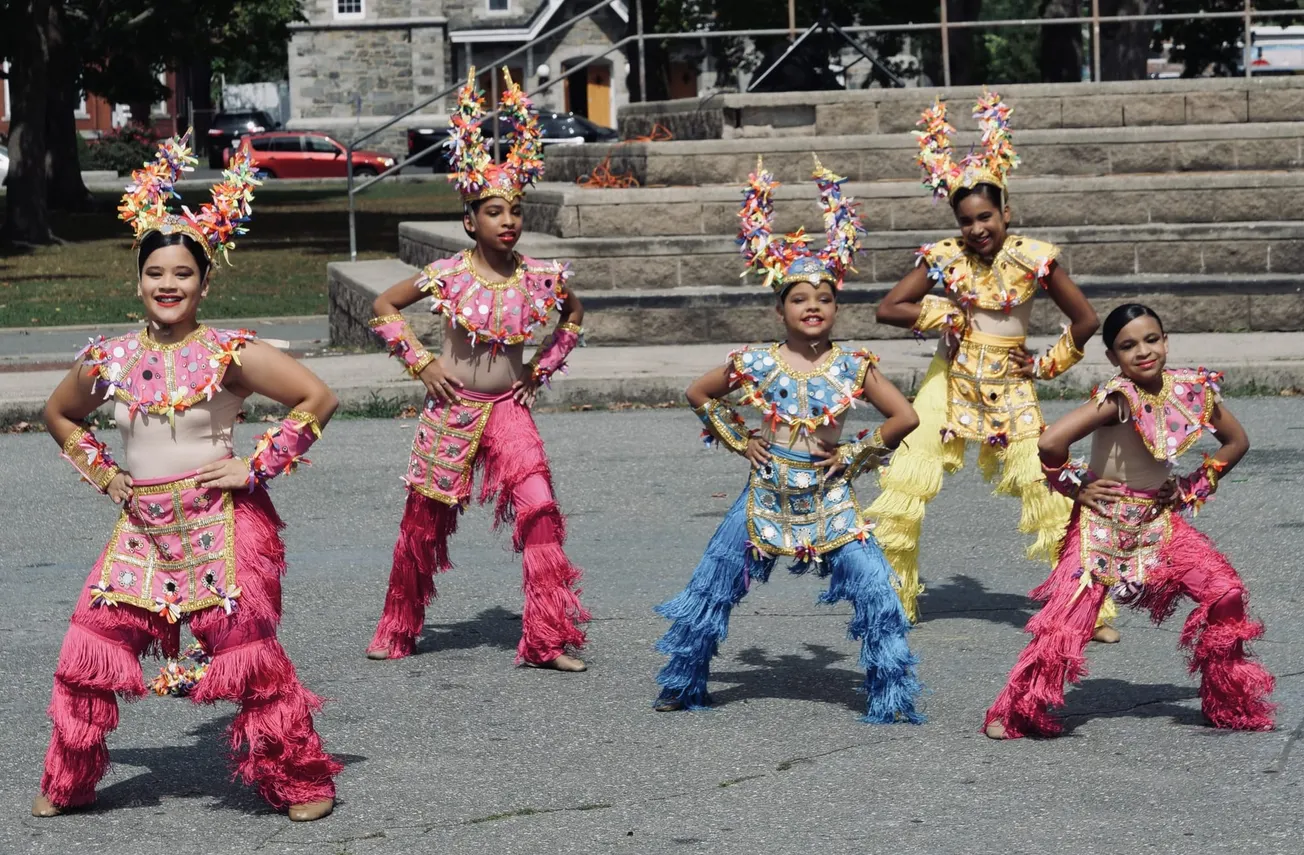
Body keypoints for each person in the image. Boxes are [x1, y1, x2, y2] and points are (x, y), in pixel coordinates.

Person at [34, 133, 341, 821]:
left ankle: (301, 778)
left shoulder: (228, 353)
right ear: (137, 280)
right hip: (140, 527)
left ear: (205, 281)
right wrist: (106, 475)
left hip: (217, 522)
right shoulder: (110, 357)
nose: (168, 285)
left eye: (182, 274)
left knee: (247, 654)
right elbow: (58, 414)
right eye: (156, 274)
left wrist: (256, 463)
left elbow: (317, 398)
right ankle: (69, 780)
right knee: (88, 643)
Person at [652, 157, 924, 723]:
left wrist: (852, 453)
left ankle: (890, 694)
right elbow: (698, 393)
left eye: (823, 299)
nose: (813, 308)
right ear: (780, 309)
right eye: (800, 299)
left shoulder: (853, 364)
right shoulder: (754, 361)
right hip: (766, 493)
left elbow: (905, 416)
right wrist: (738, 438)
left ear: (836, 307)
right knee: (714, 584)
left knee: (876, 590)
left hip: (830, 499)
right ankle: (683, 680)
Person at [365, 67, 589, 671]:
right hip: (452, 408)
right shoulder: (448, 274)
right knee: (423, 524)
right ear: (471, 222)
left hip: (508, 410)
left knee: (539, 507)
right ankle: (398, 627)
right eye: (494, 211)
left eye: (515, 210)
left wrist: (541, 367)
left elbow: (573, 318)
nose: (508, 221)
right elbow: (384, 306)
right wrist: (421, 362)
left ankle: (547, 637)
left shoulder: (541, 276)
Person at [868, 92, 1109, 634]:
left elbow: (1087, 321)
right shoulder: (945, 258)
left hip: (1010, 383)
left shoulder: (1033, 257)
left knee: (1044, 487)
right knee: (906, 481)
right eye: (966, 220)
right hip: (947, 382)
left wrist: (1046, 366)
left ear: (1005, 212)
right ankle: (893, 602)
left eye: (986, 216)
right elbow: (889, 308)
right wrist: (947, 312)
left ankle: (1088, 609)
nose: (977, 228)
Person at [983, 303, 1275, 739]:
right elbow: (1051, 442)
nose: (1143, 352)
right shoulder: (1120, 399)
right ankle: (1016, 712)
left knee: (1225, 592)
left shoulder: (1192, 390)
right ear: (1112, 358)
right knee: (1068, 623)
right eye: (1128, 345)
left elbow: (1236, 441)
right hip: (1102, 526)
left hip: (1158, 525)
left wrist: (1191, 485)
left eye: (1151, 340)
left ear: (1166, 341)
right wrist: (1075, 487)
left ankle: (1227, 701)